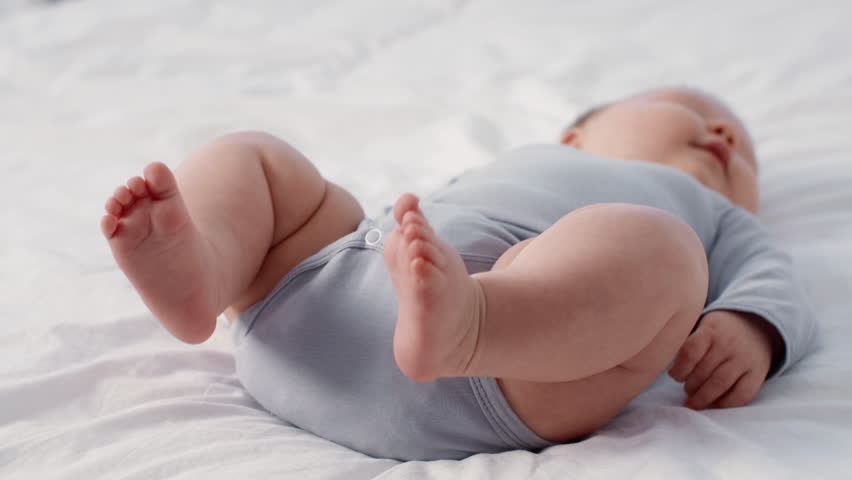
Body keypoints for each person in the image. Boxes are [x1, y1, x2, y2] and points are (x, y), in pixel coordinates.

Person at [100, 86, 816, 461]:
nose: (724, 135)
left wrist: (749, 326)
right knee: (260, 158)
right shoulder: (524, 160)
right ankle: (205, 267)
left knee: (665, 253)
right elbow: (403, 227)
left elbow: (777, 281)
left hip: (509, 368)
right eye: (690, 110)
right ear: (577, 136)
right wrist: (384, 253)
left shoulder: (716, 219)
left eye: (743, 149)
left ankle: (476, 320)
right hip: (323, 296)